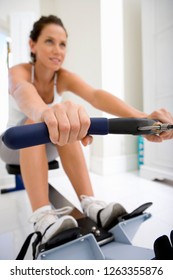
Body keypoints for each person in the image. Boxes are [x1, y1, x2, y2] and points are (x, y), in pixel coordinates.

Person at [0, 15, 173, 244]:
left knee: (71, 125)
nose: (58, 50)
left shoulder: (62, 77)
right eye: (49, 41)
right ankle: (43, 217)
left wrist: (144, 118)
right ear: (33, 45)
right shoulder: (18, 72)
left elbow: (95, 96)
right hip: (13, 144)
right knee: (42, 122)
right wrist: (45, 114)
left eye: (63, 44)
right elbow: (24, 93)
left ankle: (91, 203)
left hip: (47, 144)